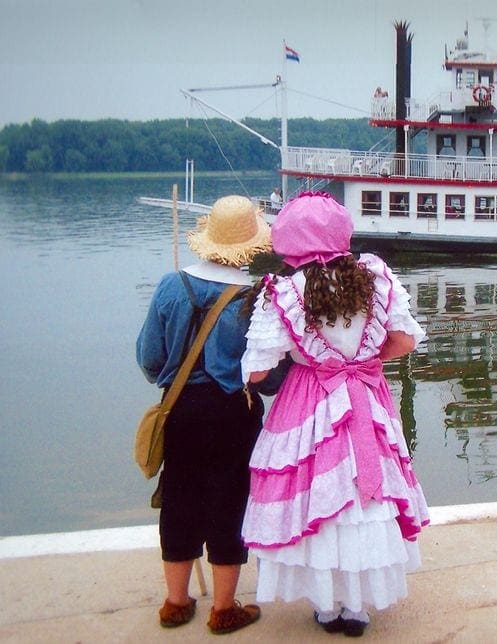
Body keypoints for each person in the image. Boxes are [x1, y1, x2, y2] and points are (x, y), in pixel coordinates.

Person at [240, 192, 429, 637]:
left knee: (321, 498)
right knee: (365, 498)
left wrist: (309, 360)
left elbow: (258, 369)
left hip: (310, 400)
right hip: (367, 394)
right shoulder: (376, 276)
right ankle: (358, 608)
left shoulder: (283, 292)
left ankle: (327, 608)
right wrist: (362, 358)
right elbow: (404, 341)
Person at [136, 195, 271, 635]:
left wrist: (174, 377)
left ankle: (176, 603)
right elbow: (266, 375)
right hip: (234, 412)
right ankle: (224, 609)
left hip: (181, 408)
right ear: (250, 244)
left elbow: (149, 358)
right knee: (229, 502)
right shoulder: (255, 297)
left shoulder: (171, 285)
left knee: (177, 497)